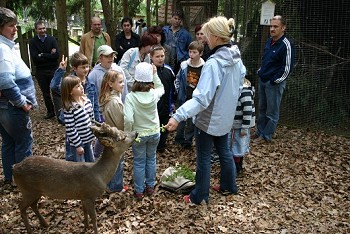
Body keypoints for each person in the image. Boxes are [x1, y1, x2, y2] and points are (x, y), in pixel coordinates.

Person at [165, 16, 246, 204]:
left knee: (203, 158)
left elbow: (201, 99)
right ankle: (228, 186)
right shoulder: (236, 59)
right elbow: (240, 85)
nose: (205, 39)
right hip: (225, 118)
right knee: (224, 151)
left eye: (207, 35)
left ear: (216, 37)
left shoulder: (213, 64)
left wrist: (178, 116)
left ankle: (199, 195)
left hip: (208, 120)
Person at [0, 7, 37, 186]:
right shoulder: (2, 49)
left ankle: (11, 178)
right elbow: (6, 80)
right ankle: (24, 182)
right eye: (10, 26)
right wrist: (21, 102)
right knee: (22, 142)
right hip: (12, 107)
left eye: (15, 25)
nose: (15, 29)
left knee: (8, 142)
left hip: (5, 106)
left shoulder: (5, 46)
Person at [124, 62, 164, 200]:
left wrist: (128, 134)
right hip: (154, 132)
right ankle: (150, 186)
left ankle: (139, 190)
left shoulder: (130, 97)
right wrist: (155, 74)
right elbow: (161, 88)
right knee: (151, 158)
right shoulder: (153, 94)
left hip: (139, 135)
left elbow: (128, 119)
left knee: (139, 162)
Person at [253, 15, 295, 143]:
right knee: (261, 108)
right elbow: (265, 60)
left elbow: (287, 68)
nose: (272, 29)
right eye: (271, 26)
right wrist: (261, 72)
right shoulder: (269, 41)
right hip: (263, 80)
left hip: (274, 83)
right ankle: (259, 132)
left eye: (275, 26)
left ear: (283, 28)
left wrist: (274, 80)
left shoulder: (286, 45)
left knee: (272, 112)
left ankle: (266, 136)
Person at [99, 70, 128, 192]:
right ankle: (115, 187)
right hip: (116, 137)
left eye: (123, 82)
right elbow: (120, 123)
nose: (123, 84)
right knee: (117, 163)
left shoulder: (112, 97)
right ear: (111, 84)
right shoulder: (114, 102)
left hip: (111, 135)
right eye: (120, 82)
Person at [174, 40, 205, 149]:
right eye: (190, 52)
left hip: (195, 98)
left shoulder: (204, 67)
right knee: (180, 119)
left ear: (200, 53)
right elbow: (177, 79)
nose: (191, 54)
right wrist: (178, 91)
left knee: (192, 121)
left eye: (194, 52)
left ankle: (188, 141)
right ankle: (178, 139)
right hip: (183, 96)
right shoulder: (184, 65)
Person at [50, 53, 96, 125]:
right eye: (83, 67)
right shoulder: (69, 83)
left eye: (87, 66)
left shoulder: (91, 83)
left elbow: (95, 104)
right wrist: (61, 70)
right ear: (74, 68)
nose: (86, 69)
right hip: (73, 121)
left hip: (87, 120)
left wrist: (97, 121)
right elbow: (54, 87)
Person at [87, 45, 128, 122]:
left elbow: (125, 91)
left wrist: (125, 106)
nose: (110, 58)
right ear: (100, 58)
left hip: (118, 109)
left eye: (112, 56)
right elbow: (91, 96)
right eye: (107, 56)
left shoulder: (119, 70)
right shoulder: (93, 75)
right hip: (102, 113)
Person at [29, 20, 59, 119]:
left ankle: (60, 112)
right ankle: (50, 112)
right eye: (40, 29)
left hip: (53, 69)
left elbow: (56, 56)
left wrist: (42, 55)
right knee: (45, 93)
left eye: (43, 28)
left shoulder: (52, 39)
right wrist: (49, 54)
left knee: (56, 91)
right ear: (36, 30)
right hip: (41, 71)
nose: (42, 30)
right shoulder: (32, 42)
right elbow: (35, 59)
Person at [61, 75, 95, 162]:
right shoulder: (69, 107)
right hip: (78, 143)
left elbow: (92, 119)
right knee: (80, 166)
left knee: (90, 162)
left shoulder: (86, 101)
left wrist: (94, 133)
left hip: (89, 139)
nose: (81, 87)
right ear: (70, 92)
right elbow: (70, 128)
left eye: (81, 84)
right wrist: (78, 145)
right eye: (77, 86)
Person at [149, 45, 176, 152]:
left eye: (162, 56)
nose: (160, 58)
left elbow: (173, 89)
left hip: (166, 106)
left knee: (164, 127)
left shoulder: (168, 70)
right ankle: (152, 147)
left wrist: (173, 102)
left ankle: (161, 146)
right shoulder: (148, 71)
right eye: (157, 56)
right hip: (152, 107)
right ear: (151, 57)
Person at [229, 78, 255, 175]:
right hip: (234, 125)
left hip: (241, 126)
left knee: (239, 146)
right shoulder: (236, 90)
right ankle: (236, 166)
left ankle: (236, 167)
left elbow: (248, 112)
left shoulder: (245, 92)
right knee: (234, 145)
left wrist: (245, 127)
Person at [163, 10, 192, 74]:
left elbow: (190, 47)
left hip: (179, 61)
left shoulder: (186, 34)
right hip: (166, 58)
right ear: (171, 18)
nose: (177, 21)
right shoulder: (164, 30)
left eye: (179, 19)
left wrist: (185, 57)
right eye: (175, 18)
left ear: (181, 21)